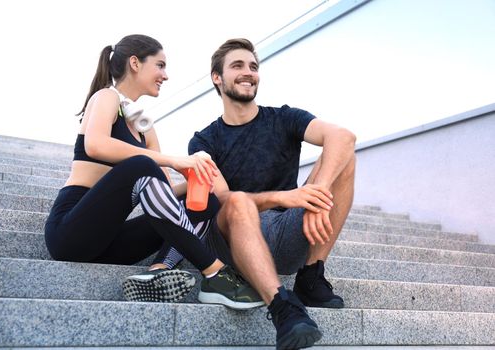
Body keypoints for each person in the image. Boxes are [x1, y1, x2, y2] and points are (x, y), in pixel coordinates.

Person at [43, 34, 263, 310]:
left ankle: (161, 269)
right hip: (71, 234)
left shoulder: (146, 126)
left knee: (206, 199)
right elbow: (96, 144)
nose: (165, 75)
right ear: (135, 63)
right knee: (142, 165)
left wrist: (200, 178)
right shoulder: (106, 97)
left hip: (110, 243)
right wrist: (173, 160)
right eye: (160, 65)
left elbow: (163, 194)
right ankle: (216, 274)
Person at [187, 38, 356, 349]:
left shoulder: (284, 117)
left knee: (344, 157)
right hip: (235, 240)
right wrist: (281, 197)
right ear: (217, 77)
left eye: (253, 67)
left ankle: (311, 275)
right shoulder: (203, 141)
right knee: (237, 200)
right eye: (237, 66)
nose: (248, 72)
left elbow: (343, 137)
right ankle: (282, 307)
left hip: (289, 232)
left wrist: (318, 193)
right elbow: (222, 200)